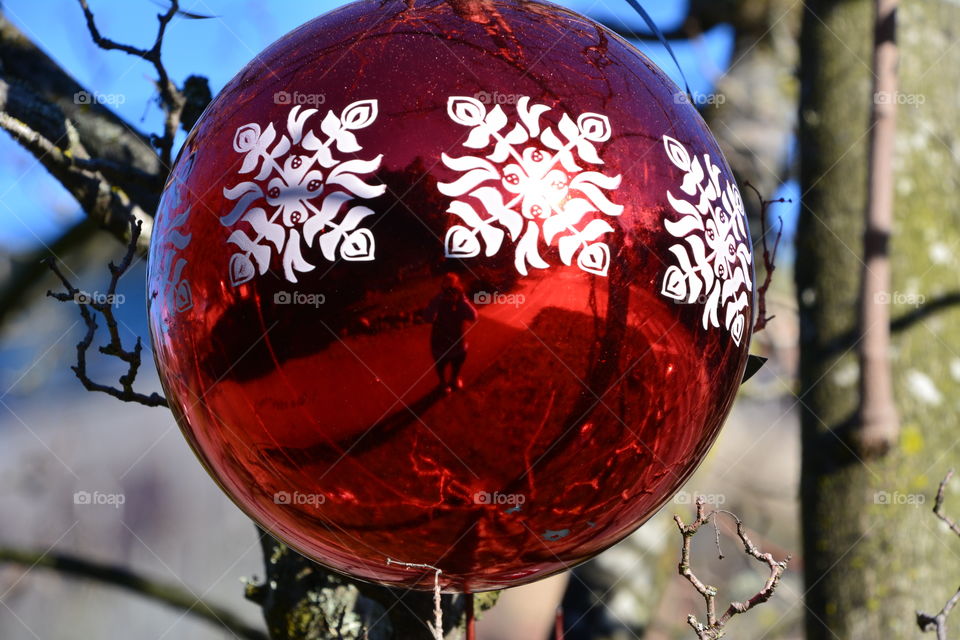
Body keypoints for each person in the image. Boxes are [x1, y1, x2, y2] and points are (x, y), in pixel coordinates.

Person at [423, 273, 478, 393]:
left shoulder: (461, 301)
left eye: (452, 288)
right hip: (440, 341)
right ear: (442, 287)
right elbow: (427, 317)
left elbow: (473, 316)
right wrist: (438, 299)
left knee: (457, 363)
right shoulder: (437, 300)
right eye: (446, 288)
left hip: (458, 341)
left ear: (458, 287)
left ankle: (454, 379)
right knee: (441, 365)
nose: (449, 292)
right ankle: (442, 382)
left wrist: (462, 298)